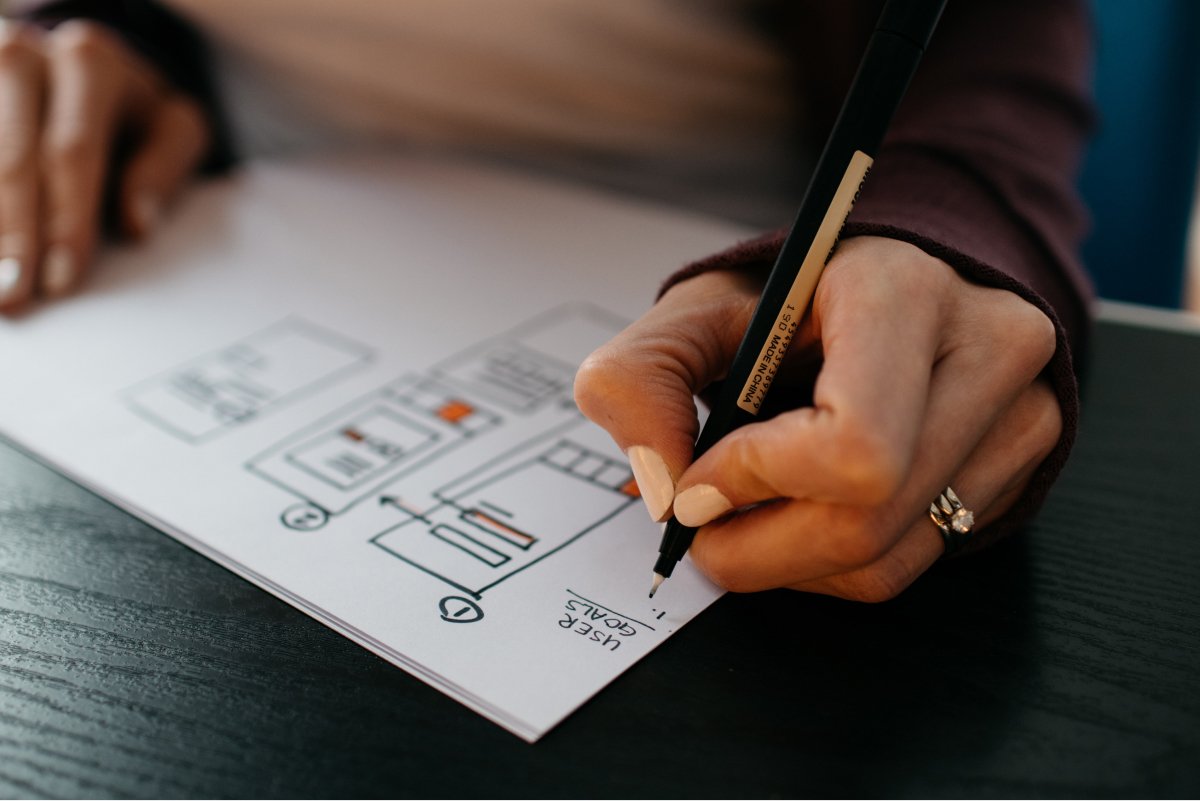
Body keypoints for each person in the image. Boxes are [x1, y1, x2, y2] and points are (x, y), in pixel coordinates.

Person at [0, 0, 1094, 601]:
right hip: (218, 226)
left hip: (740, 252)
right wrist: (107, 30)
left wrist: (956, 213)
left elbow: (967, 24)